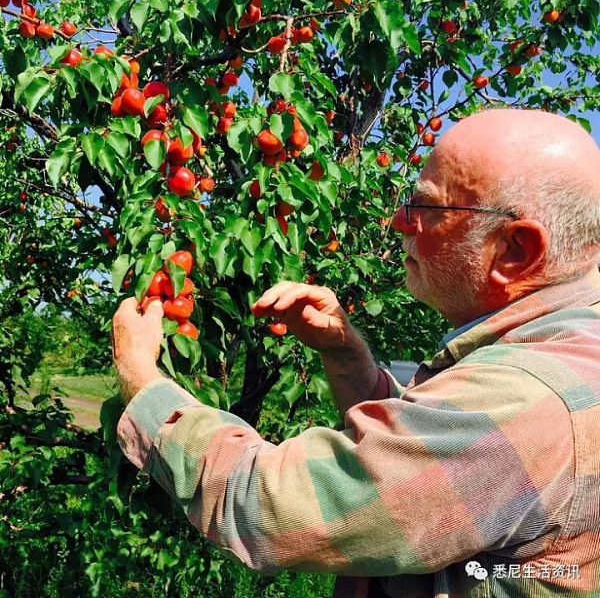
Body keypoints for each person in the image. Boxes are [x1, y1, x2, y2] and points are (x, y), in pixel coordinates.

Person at [112, 109, 600, 597]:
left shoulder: (523, 401)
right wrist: (348, 358)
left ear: (514, 249)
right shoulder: (567, 351)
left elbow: (267, 508)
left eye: (425, 209)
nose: (398, 222)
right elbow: (432, 449)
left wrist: (141, 379)